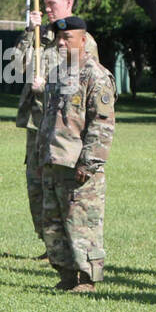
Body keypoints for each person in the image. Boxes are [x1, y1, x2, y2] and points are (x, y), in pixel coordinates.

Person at [12, 0, 99, 257]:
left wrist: (47, 85)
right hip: (37, 125)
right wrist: (29, 31)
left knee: (63, 189)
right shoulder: (40, 35)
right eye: (45, 5)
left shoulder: (83, 41)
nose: (47, 9)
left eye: (52, 5)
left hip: (64, 128)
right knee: (36, 187)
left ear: (68, 3)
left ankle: (66, 244)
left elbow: (85, 82)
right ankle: (49, 242)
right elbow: (15, 66)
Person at [37, 16, 115, 293]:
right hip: (53, 161)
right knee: (54, 223)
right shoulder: (58, 73)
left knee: (82, 222)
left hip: (78, 165)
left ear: (83, 40)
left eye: (67, 38)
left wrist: (89, 162)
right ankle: (67, 274)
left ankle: (87, 278)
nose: (60, 43)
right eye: (58, 38)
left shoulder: (95, 76)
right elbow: (49, 119)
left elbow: (101, 125)